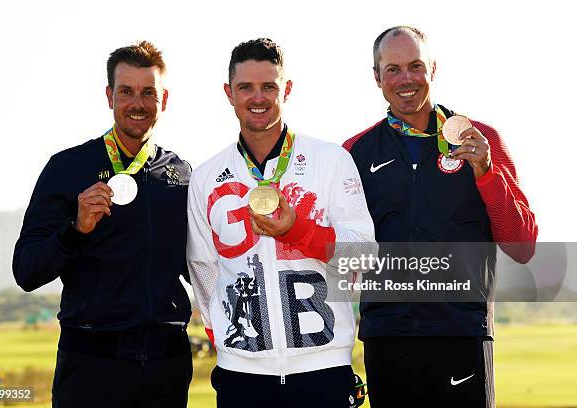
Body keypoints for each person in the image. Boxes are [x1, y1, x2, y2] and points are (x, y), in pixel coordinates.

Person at [343, 26, 538, 408]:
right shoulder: (354, 153)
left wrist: (486, 171)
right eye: (393, 69)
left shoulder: (481, 140)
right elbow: (343, 258)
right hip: (387, 339)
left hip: (461, 335)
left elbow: (522, 245)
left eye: (415, 66)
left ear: (432, 68)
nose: (406, 79)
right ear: (376, 76)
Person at [187, 38, 375, 408]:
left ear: (286, 89)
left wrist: (297, 231)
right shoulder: (206, 176)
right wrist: (231, 344)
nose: (258, 98)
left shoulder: (330, 160)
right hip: (241, 374)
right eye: (246, 87)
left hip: (324, 369)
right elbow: (203, 269)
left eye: (269, 86)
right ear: (229, 93)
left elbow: (364, 257)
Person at [13, 41, 192, 407]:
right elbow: (26, 270)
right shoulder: (67, 168)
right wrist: (75, 229)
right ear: (109, 95)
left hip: (166, 367)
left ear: (165, 99)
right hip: (92, 367)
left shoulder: (182, 174)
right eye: (126, 91)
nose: (137, 103)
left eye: (148, 93)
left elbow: (200, 267)